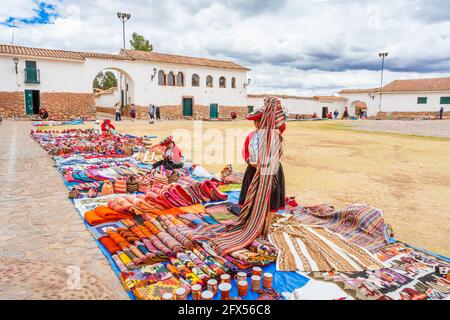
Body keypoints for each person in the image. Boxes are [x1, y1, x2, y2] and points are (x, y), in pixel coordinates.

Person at [239, 106, 286, 221]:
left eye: (260, 120)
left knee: (271, 195)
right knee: (252, 195)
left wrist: (275, 105)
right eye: (255, 121)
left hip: (271, 170)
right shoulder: (251, 135)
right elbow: (245, 151)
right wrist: (251, 162)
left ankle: (267, 222)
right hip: (253, 169)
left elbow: (282, 123)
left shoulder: (274, 133)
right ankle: (252, 219)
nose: (256, 123)